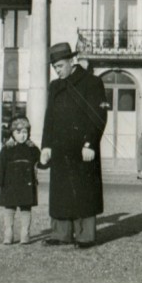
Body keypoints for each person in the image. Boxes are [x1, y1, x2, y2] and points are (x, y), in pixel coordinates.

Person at [39, 42, 108, 249]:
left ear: (71, 61)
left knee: (84, 191)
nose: (57, 70)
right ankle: (61, 234)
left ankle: (86, 236)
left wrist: (90, 143)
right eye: (55, 67)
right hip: (60, 149)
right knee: (60, 191)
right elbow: (49, 117)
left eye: (60, 66)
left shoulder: (92, 82)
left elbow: (99, 116)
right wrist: (46, 145)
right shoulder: (55, 86)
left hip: (83, 149)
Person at [0, 116, 41, 245]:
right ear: (12, 134)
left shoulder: (32, 149)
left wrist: (45, 160)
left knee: (26, 209)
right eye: (18, 132)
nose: (22, 136)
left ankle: (25, 234)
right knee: (9, 209)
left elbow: (40, 161)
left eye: (25, 132)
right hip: (10, 183)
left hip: (27, 183)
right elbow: (0, 166)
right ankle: (8, 234)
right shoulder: (7, 149)